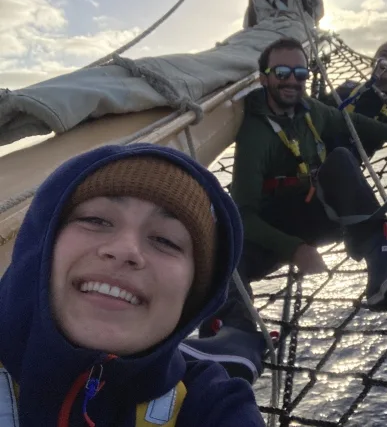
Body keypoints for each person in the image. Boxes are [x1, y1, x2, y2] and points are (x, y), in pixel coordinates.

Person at [184, 37, 387, 385]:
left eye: (300, 72)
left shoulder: (312, 111)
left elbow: (354, 125)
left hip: (317, 208)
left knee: (341, 159)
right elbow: (244, 213)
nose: (292, 79)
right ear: (264, 77)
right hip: (270, 229)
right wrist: (295, 250)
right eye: (281, 71)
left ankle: (381, 267)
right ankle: (237, 335)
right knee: (220, 240)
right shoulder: (255, 132)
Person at [0, 143, 265, 426]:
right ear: (42, 247)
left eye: (166, 240)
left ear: (193, 296)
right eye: (95, 220)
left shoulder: (210, 404)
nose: (126, 250)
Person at [321, 41, 387, 159]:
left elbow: (379, 138)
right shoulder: (348, 86)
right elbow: (321, 109)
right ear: (374, 61)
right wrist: (319, 79)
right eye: (384, 55)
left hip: (343, 164)